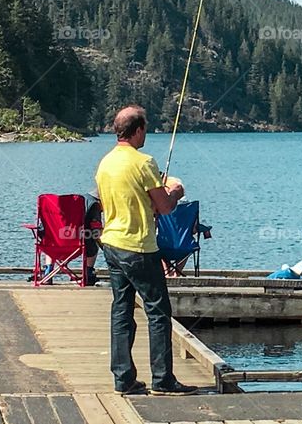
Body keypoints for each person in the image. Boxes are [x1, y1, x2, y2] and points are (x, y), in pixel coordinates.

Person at [95, 105, 197, 396]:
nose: (145, 135)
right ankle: (163, 380)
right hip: (138, 246)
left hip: (111, 243)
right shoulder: (144, 163)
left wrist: (152, 200)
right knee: (158, 312)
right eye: (145, 129)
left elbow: (122, 201)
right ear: (138, 130)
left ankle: (123, 379)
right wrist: (175, 189)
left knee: (121, 312)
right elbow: (164, 207)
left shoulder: (105, 163)